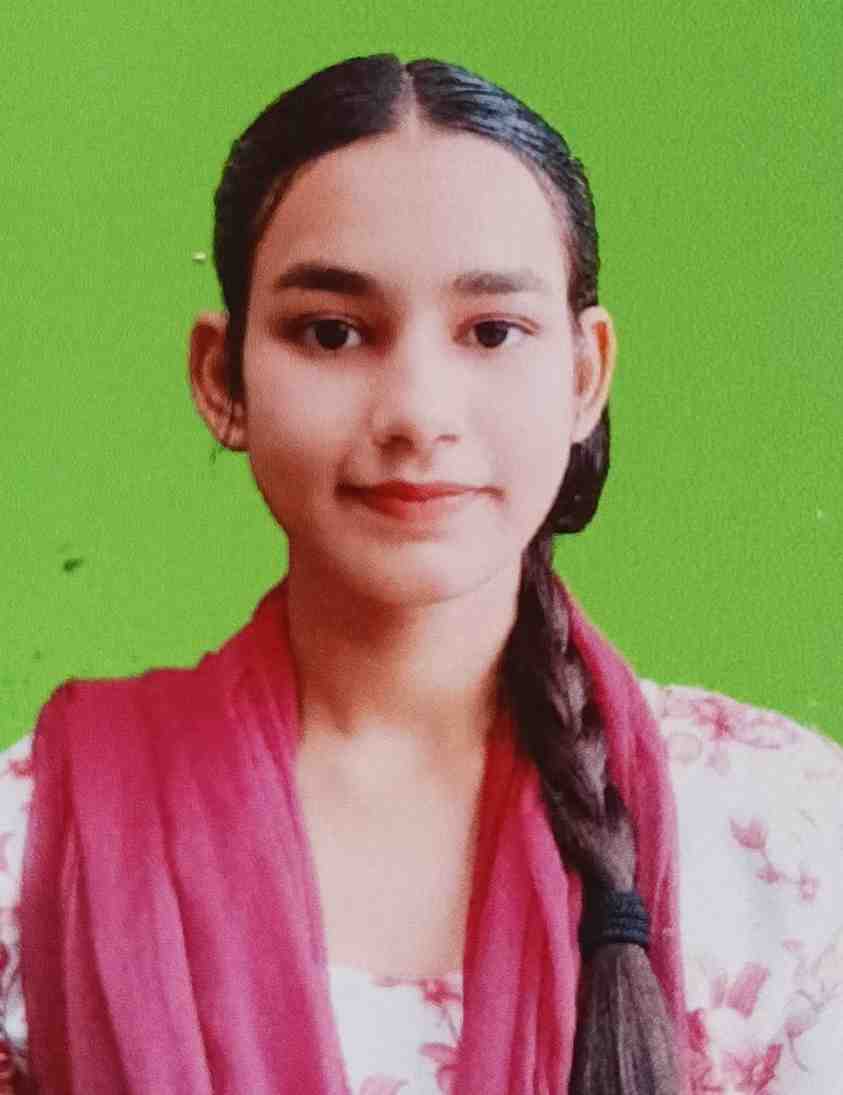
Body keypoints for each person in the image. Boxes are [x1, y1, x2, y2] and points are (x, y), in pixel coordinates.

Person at [0, 53, 840, 1095]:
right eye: (332, 332)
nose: (416, 412)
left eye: (491, 332)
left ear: (584, 376)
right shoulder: (37, 839)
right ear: (223, 379)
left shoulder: (779, 839)